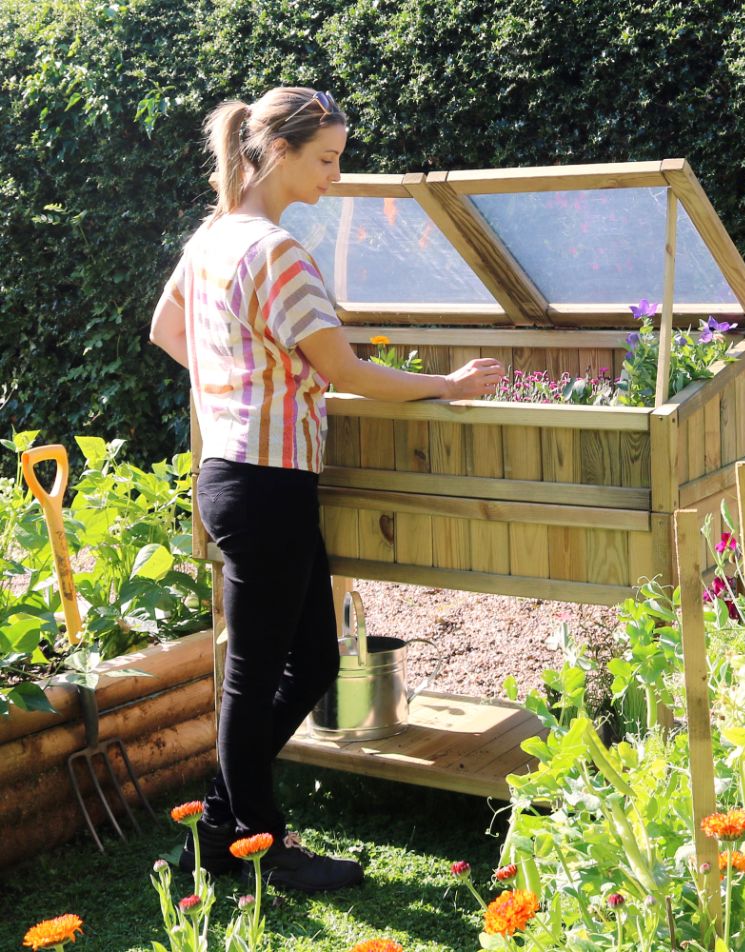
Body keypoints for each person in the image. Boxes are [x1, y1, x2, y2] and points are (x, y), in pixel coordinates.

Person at [149, 86, 503, 893]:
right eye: (327, 159)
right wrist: (446, 387)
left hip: (238, 477)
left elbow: (168, 331)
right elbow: (341, 370)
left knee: (309, 661)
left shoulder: (212, 240)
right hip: (266, 485)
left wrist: (238, 387)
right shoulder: (277, 252)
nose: (336, 179)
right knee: (257, 675)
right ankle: (262, 849)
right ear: (278, 152)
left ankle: (217, 828)